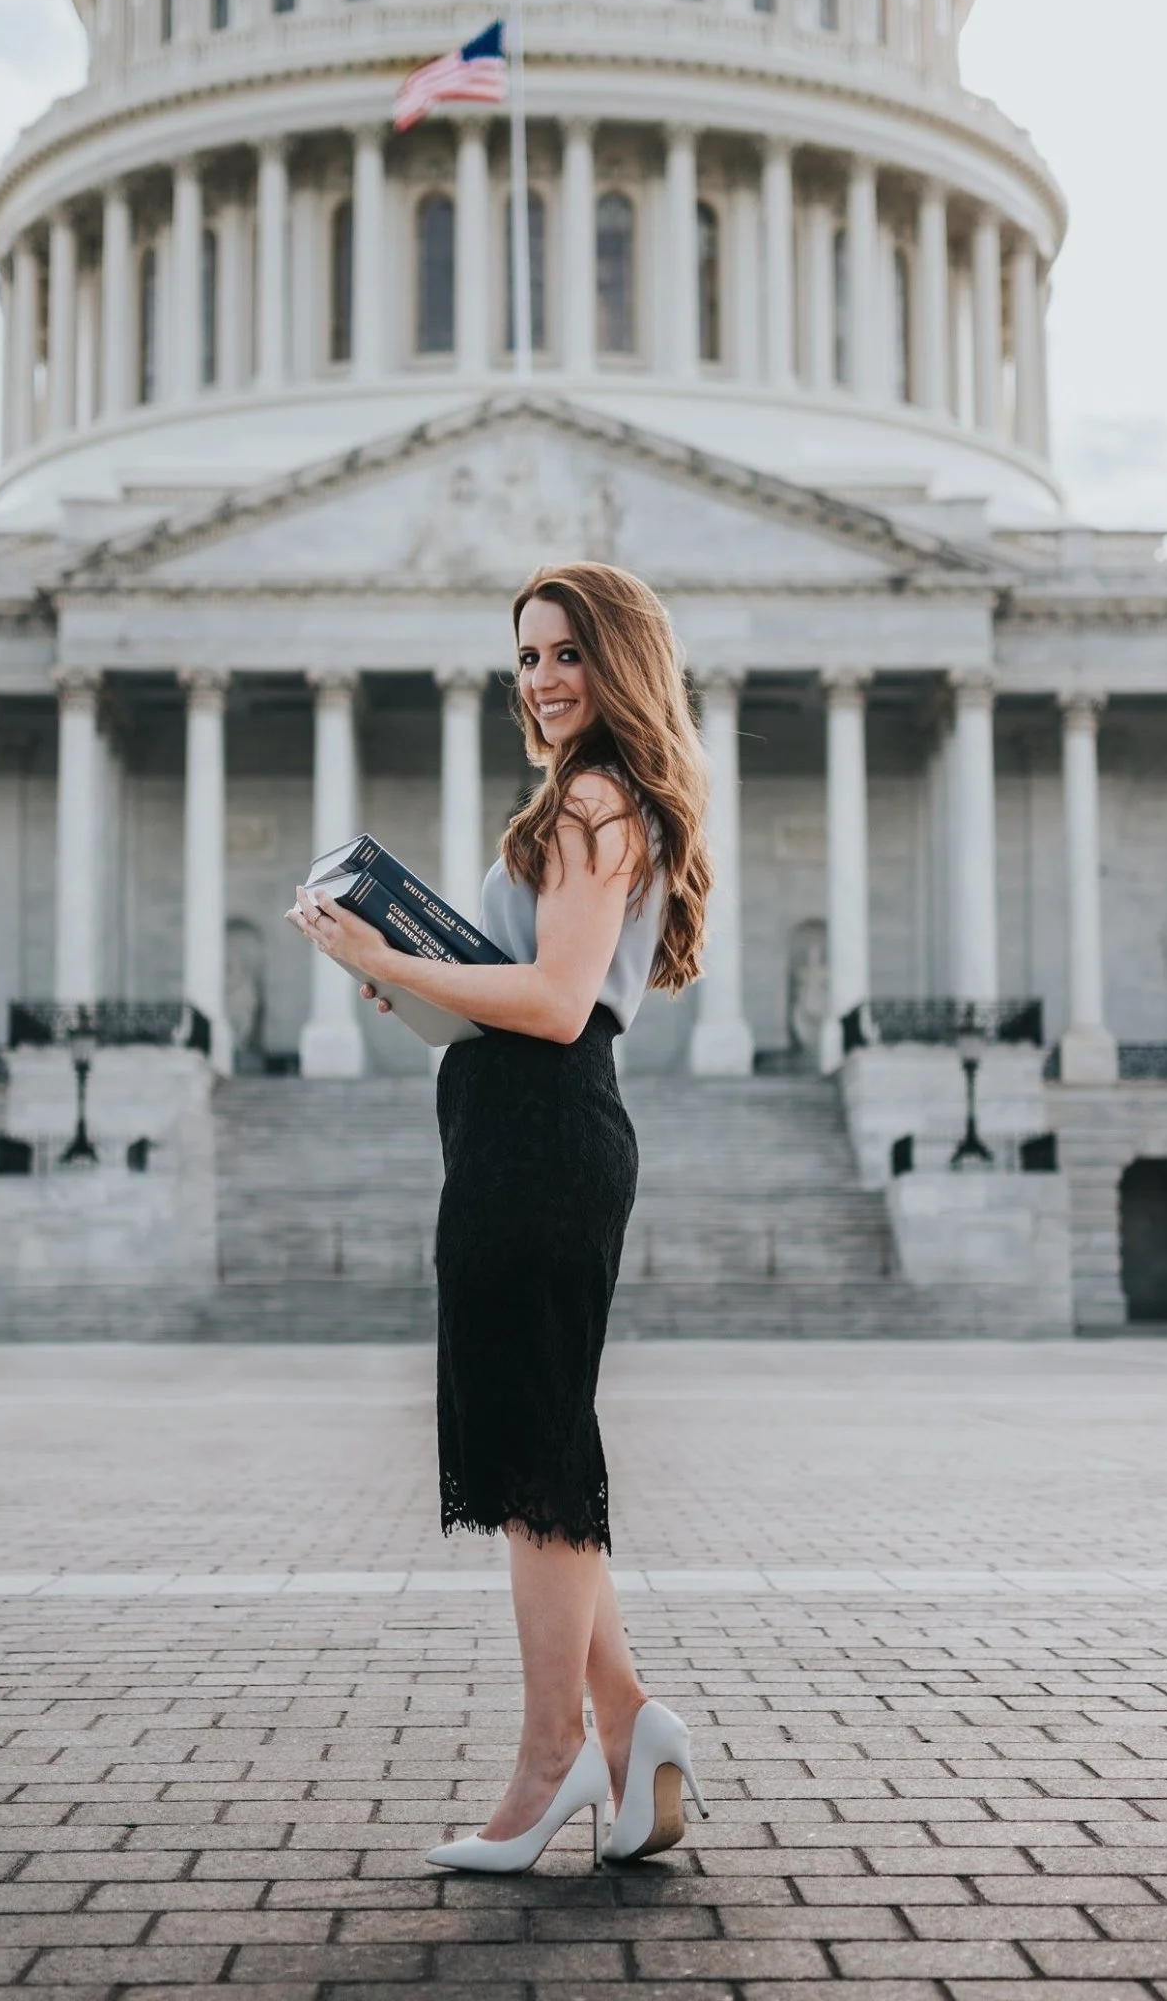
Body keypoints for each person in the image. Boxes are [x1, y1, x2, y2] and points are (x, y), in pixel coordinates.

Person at [288, 562, 713, 1872]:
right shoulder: (579, 799)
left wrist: (383, 958)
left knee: (537, 1466)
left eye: (567, 652)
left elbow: (558, 1000)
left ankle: (552, 1762)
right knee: (539, 1446)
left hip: (540, 1137)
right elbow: (508, 986)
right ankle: (634, 1732)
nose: (541, 678)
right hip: (512, 1135)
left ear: (618, 660)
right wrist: (417, 984)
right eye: (525, 654)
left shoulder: (592, 798)